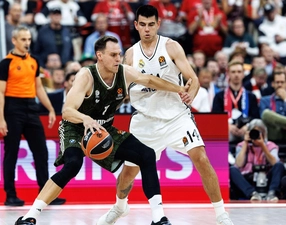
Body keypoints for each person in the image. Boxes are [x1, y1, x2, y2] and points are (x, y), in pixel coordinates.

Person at [14, 35, 191, 225]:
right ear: (100, 55)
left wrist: (179, 88)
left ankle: (159, 218)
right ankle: (29, 216)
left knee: (147, 155)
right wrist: (85, 119)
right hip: (76, 127)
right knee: (73, 164)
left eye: (120, 54)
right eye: (113, 55)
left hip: (103, 129)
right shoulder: (86, 75)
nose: (118, 59)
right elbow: (67, 111)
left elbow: (149, 80)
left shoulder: (124, 72)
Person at [98, 5, 234, 225]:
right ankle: (119, 207)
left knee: (201, 158)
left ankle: (221, 214)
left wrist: (190, 94)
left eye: (151, 24)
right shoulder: (131, 54)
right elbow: (121, 90)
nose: (147, 29)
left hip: (176, 118)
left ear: (158, 24)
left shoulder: (171, 47)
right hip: (145, 121)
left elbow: (194, 79)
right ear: (136, 26)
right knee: (128, 174)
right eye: (142, 25)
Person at [0, 26, 65, 207]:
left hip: (31, 108)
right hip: (12, 108)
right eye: (23, 39)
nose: (27, 42)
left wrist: (50, 108)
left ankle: (45, 194)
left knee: (41, 152)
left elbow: (39, 88)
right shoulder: (5, 63)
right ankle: (10, 195)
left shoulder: (34, 61)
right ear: (14, 41)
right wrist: (1, 119)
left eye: (28, 39)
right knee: (12, 153)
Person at [229, 119, 284, 201]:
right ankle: (252, 194)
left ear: (264, 134)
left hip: (266, 177)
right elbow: (239, 164)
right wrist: (245, 143)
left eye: (259, 132)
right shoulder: (241, 145)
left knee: (279, 165)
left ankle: (272, 193)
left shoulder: (271, 145)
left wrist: (262, 145)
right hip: (248, 179)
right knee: (232, 170)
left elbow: (274, 162)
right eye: (254, 132)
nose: (256, 135)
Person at [212, 61, 260, 143]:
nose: (236, 75)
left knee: (259, 124)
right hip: (227, 131)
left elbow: (255, 117)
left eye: (239, 72)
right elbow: (215, 118)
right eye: (233, 72)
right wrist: (228, 126)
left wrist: (246, 127)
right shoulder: (219, 96)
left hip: (246, 132)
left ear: (243, 74)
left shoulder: (251, 96)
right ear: (228, 74)